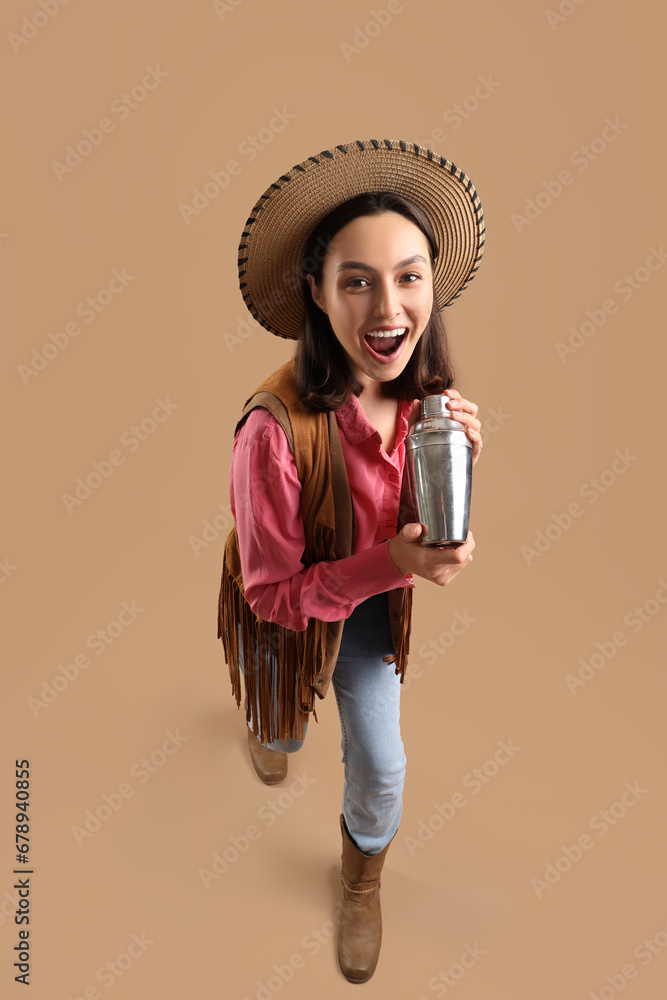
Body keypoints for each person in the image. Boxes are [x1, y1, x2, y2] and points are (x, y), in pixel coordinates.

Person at [217, 138, 486, 984]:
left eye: (407, 275)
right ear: (317, 291)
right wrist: (395, 562)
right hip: (286, 606)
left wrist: (457, 465)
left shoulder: (428, 395)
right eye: (357, 280)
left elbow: (418, 519)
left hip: (370, 603)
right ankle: (271, 727)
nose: (387, 306)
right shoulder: (273, 431)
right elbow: (270, 591)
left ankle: (361, 880)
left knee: (381, 762)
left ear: (432, 285)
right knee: (281, 723)